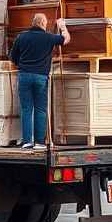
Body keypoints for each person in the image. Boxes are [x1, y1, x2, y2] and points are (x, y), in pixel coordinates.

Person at [9, 13, 71, 149]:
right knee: (40, 109)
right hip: (41, 77)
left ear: (33, 23)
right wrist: (62, 26)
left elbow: (12, 57)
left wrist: (22, 63)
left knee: (26, 109)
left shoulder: (22, 36)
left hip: (24, 75)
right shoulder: (49, 37)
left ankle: (27, 141)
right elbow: (66, 40)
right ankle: (39, 142)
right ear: (44, 24)